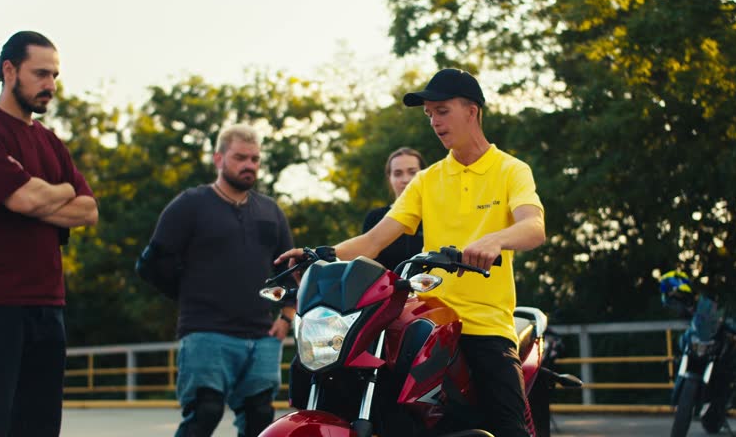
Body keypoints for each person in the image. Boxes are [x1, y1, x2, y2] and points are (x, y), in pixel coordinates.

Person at [276, 68, 545, 437]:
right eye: (429, 114)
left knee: (508, 427)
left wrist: (495, 239)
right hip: (429, 317)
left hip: (484, 323)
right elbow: (373, 241)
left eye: (442, 110)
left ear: (472, 111)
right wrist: (317, 254)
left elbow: (534, 227)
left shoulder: (511, 170)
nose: (434, 121)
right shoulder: (427, 180)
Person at [0, 30, 98, 437]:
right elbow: (23, 201)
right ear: (9, 70)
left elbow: (88, 210)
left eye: (55, 76)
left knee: (39, 425)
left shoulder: (50, 143)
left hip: (48, 303)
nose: (50, 85)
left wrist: (47, 192)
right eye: (41, 74)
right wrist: (61, 191)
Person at [137, 123, 295, 437]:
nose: (249, 165)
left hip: (262, 335)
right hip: (207, 333)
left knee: (260, 418)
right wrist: (191, 295)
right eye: (240, 157)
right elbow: (151, 265)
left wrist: (287, 315)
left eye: (254, 159)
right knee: (204, 415)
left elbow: (288, 269)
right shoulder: (190, 205)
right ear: (218, 159)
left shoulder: (270, 211)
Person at [361, 147, 427, 271]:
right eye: (398, 173)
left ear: (424, 175)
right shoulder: (374, 218)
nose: (405, 179)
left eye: (412, 172)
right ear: (389, 178)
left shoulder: (437, 215)